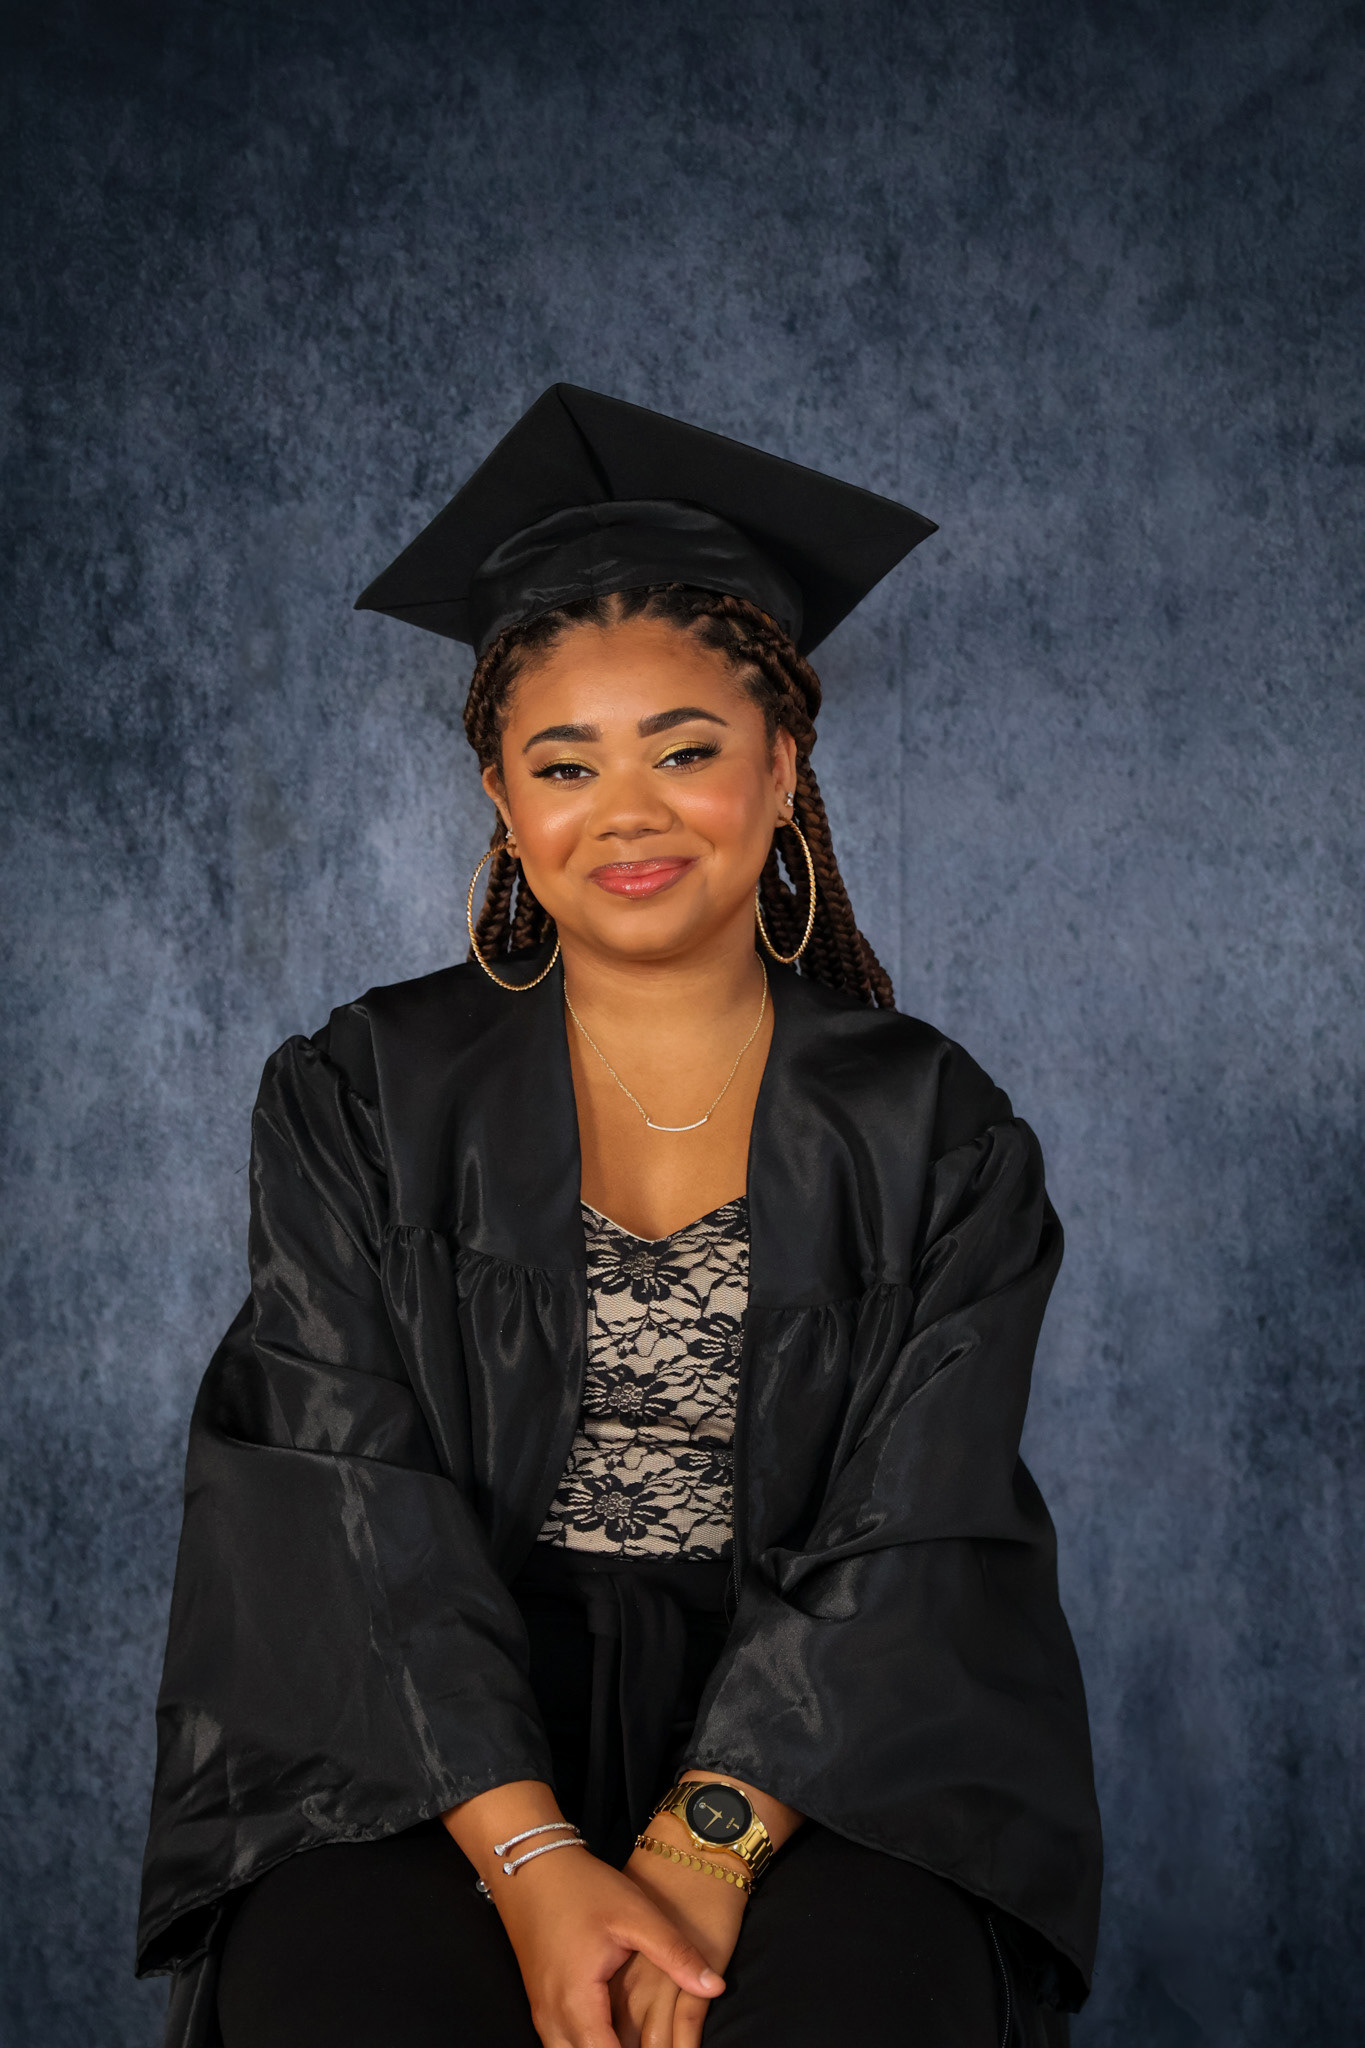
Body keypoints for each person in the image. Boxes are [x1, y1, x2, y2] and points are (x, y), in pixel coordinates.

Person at [137, 386, 1102, 2048]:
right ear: (505, 802)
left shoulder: (930, 1125)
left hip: (832, 1740)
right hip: (423, 1732)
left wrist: (709, 1839)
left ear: (781, 766)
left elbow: (915, 1524)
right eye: (564, 763)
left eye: (685, 749)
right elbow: (341, 1488)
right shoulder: (362, 1092)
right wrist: (529, 1861)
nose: (627, 809)